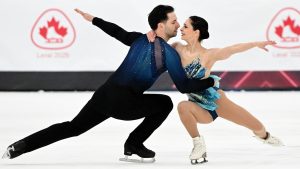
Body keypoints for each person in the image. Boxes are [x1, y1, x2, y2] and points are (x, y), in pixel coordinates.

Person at [2, 6, 218, 163]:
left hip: (104, 96)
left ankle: (19, 147)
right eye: (174, 21)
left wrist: (94, 19)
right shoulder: (168, 53)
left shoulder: (140, 38)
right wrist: (211, 80)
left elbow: (117, 32)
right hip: (126, 103)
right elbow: (185, 87)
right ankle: (134, 143)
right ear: (160, 26)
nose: (178, 24)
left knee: (72, 127)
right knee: (165, 103)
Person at [163, 16, 283, 164]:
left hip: (218, 102)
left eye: (186, 26)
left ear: (196, 32)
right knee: (182, 107)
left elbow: (232, 49)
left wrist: (256, 43)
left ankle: (265, 136)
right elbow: (159, 46)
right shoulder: (176, 48)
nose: (181, 28)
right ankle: (198, 145)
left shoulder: (209, 54)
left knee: (258, 127)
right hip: (198, 107)